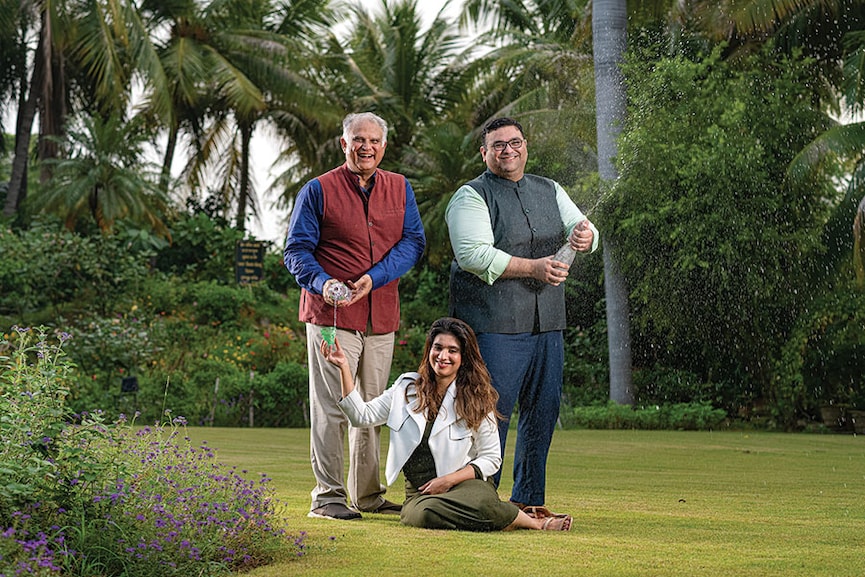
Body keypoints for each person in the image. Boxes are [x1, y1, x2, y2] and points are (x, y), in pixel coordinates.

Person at [445, 117, 599, 518]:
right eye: (498, 145)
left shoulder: (550, 189)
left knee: (542, 411)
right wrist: (533, 268)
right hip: (493, 326)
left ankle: (528, 499)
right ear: (484, 153)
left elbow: (584, 229)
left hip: (547, 323)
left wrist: (587, 236)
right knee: (487, 415)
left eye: (515, 143)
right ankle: (476, 500)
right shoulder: (471, 196)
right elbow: (473, 255)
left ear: (526, 146)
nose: (508, 150)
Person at [284, 112, 426, 521]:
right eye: (358, 139)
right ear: (342, 143)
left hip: (381, 316)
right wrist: (322, 282)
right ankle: (327, 497)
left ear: (384, 146)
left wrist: (375, 277)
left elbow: (413, 242)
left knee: (373, 408)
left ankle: (367, 495)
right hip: (331, 316)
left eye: (374, 140)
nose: (366, 146)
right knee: (332, 407)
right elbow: (296, 250)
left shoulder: (400, 188)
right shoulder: (317, 190)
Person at [320, 317, 572, 531]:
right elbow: (360, 416)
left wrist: (449, 480)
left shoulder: (476, 397)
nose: (443, 356)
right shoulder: (405, 389)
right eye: (438, 348)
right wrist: (343, 367)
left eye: (452, 350)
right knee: (418, 515)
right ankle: (500, 516)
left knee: (481, 500)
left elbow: (492, 458)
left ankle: (533, 524)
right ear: (429, 350)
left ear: (464, 357)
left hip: (466, 484)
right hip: (422, 495)